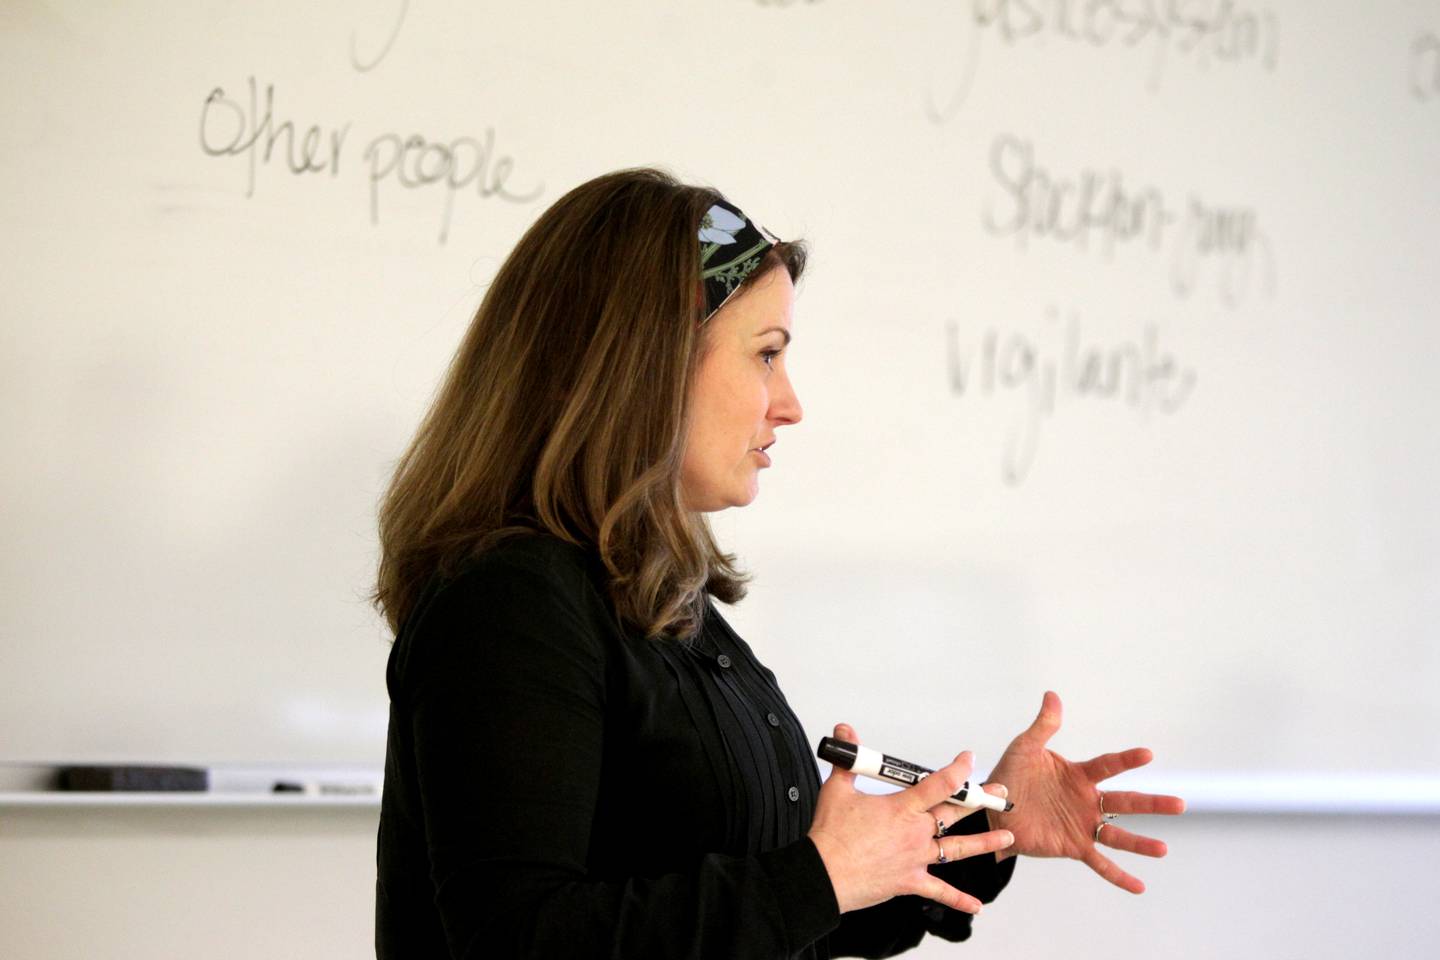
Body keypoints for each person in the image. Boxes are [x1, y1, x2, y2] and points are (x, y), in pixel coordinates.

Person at [371, 167, 1185, 959]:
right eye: (765, 353)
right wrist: (818, 879)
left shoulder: (659, 604)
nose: (789, 403)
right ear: (648, 362)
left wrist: (990, 828)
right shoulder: (512, 608)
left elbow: (796, 910)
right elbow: (518, 938)